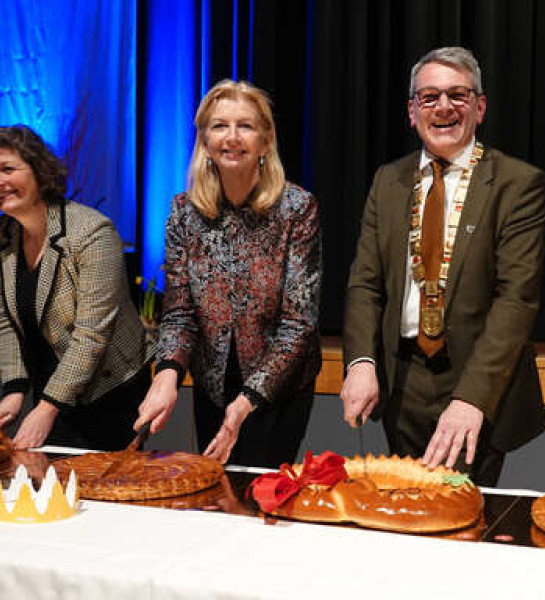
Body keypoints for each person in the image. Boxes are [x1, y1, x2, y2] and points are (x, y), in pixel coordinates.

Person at [340, 47, 545, 487]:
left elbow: (516, 300)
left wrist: (472, 398)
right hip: (402, 382)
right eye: (429, 97)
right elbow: (365, 284)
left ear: (480, 107)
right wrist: (360, 362)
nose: (444, 107)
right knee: (402, 516)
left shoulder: (518, 183)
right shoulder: (388, 181)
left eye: (458, 95)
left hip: (475, 382)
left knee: (462, 524)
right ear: (412, 112)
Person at [135, 80, 321, 467]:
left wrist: (246, 401)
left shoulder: (297, 208)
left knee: (263, 503)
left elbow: (298, 324)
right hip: (212, 387)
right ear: (204, 140)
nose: (232, 137)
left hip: (278, 390)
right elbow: (180, 313)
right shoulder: (183, 212)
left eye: (246, 126)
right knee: (217, 496)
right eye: (219, 126)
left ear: (266, 140)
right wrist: (167, 373)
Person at [0, 125, 153, 450]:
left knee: (107, 492)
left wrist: (46, 408)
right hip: (52, 382)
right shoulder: (5, 236)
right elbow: (5, 322)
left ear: (40, 172)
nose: (0, 181)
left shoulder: (91, 232)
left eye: (8, 169)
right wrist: (14, 388)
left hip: (110, 386)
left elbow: (92, 335)